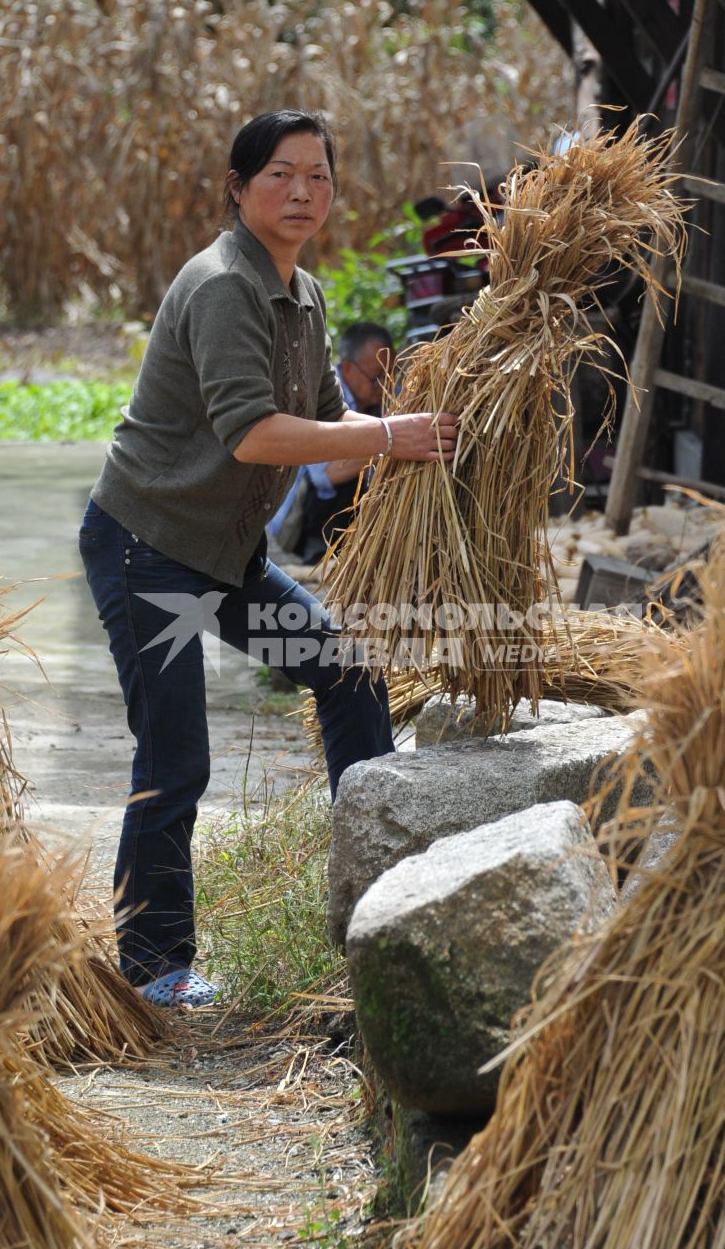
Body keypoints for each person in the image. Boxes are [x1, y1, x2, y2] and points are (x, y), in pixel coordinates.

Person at [79, 109, 457, 1007]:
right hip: (151, 550)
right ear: (240, 188)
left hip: (226, 558)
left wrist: (433, 432)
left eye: (318, 177)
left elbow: (329, 446)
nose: (302, 192)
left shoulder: (307, 298)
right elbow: (254, 436)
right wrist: (390, 436)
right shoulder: (221, 287)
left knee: (347, 673)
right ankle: (153, 964)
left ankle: (374, 887)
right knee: (175, 760)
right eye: (281, 175)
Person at [269, 321, 396, 563]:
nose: (384, 386)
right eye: (376, 377)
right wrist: (389, 443)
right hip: (300, 520)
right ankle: (319, 552)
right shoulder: (318, 392)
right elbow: (323, 476)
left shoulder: (379, 395)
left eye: (389, 376)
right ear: (347, 369)